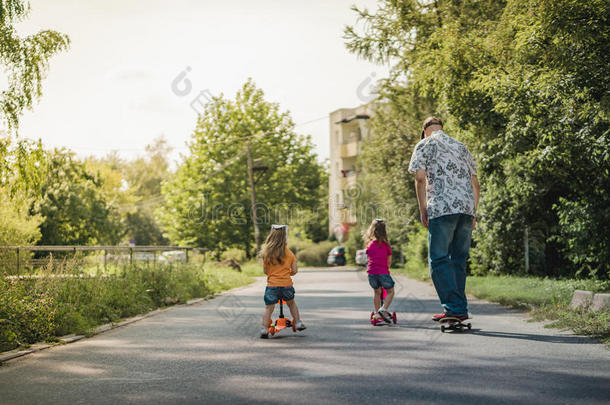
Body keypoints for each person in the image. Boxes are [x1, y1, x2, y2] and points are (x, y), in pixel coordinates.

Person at [408, 117, 480, 321]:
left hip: (442, 208)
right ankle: (459, 308)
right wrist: (473, 212)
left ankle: (454, 308)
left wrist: (423, 209)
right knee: (458, 261)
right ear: (442, 129)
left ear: (424, 131)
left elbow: (420, 178)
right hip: (466, 209)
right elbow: (476, 184)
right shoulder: (461, 146)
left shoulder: (424, 144)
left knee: (438, 260)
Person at [259, 224, 306, 338]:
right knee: (291, 303)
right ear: (285, 237)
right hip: (286, 285)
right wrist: (286, 274)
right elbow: (294, 270)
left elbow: (266, 271)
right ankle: (298, 322)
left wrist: (274, 274)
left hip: (272, 286)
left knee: (269, 308)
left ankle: (264, 329)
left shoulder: (267, 253)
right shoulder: (289, 253)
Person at [364, 218, 395, 324]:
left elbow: (368, 258)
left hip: (371, 273)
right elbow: (389, 262)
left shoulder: (369, 244)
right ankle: (383, 309)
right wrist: (385, 269)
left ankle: (377, 313)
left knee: (377, 292)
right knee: (390, 291)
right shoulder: (386, 246)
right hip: (383, 272)